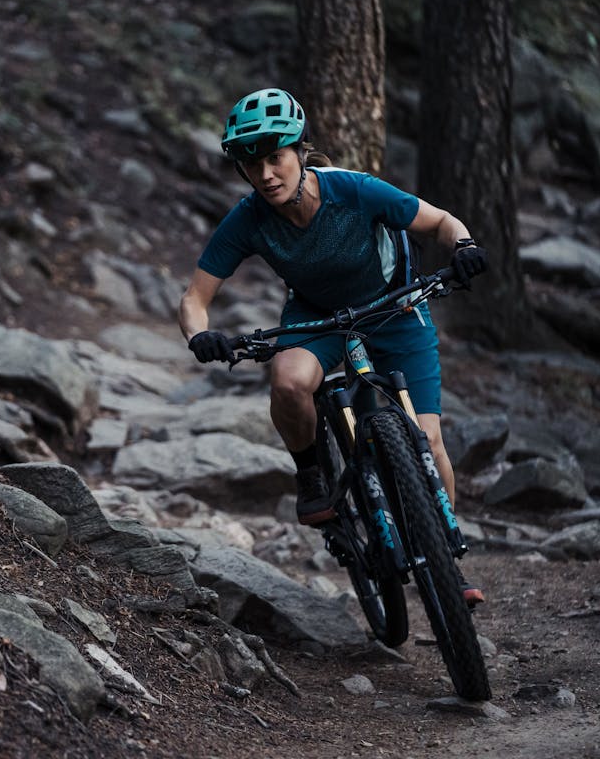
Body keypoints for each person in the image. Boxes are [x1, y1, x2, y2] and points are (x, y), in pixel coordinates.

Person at [178, 88, 488, 605]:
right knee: (289, 380)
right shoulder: (249, 218)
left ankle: (447, 566)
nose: (266, 175)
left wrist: (465, 246)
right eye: (252, 166)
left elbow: (437, 221)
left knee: (429, 441)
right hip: (317, 318)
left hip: (396, 309)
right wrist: (199, 335)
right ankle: (312, 476)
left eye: (275, 158)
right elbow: (195, 298)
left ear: (299, 151)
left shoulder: (354, 190)